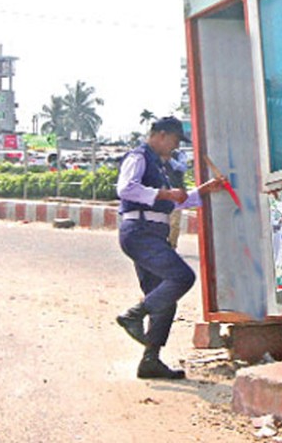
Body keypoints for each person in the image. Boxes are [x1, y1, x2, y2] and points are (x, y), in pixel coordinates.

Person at [115, 116, 224, 380]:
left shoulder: (161, 166)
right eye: (174, 141)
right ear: (161, 135)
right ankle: (134, 315)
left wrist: (204, 191)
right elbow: (125, 189)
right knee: (182, 277)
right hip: (139, 232)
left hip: (153, 231)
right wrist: (165, 194)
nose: (175, 147)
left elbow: (175, 203)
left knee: (164, 300)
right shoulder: (139, 157)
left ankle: (150, 360)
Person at [164, 148, 188, 249]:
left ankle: (172, 246)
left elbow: (183, 168)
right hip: (162, 193)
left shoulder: (179, 154)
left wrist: (169, 159)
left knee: (174, 222)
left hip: (176, 193)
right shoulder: (156, 153)